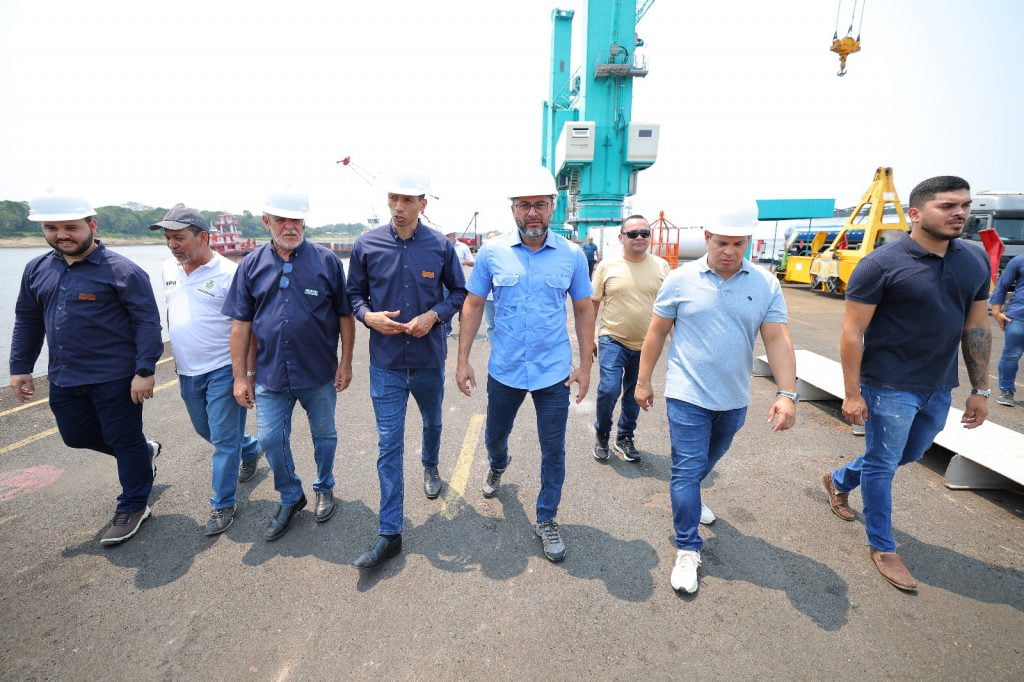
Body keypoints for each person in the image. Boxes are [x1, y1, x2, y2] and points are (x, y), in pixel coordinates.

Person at [822, 175, 991, 592]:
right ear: (915, 214)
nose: (960, 213)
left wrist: (980, 389)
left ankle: (840, 478)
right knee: (882, 463)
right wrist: (852, 392)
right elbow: (851, 332)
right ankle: (883, 546)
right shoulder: (881, 264)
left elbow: (977, 327)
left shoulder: (973, 260)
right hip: (888, 384)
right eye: (948, 205)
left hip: (938, 385)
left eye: (965, 205)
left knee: (910, 452)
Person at [636, 225, 797, 594]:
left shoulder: (765, 283)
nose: (729, 251)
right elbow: (657, 332)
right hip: (686, 393)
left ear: (748, 243)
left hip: (733, 398)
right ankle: (688, 548)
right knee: (687, 468)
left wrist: (787, 393)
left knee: (703, 464)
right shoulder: (680, 280)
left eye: (737, 244)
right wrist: (644, 382)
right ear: (708, 238)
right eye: (721, 243)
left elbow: (775, 337)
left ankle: (689, 496)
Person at [456, 166, 594, 563]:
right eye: (524, 206)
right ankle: (498, 465)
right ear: (513, 209)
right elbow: (474, 305)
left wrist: (585, 366)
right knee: (495, 437)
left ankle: (547, 517)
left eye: (539, 205)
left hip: (553, 373)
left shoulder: (571, 255)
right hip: (506, 370)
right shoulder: (493, 252)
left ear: (553, 207)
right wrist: (462, 360)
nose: (532, 213)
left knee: (554, 449)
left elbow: (584, 309)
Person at [10, 191, 163, 546]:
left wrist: (145, 369)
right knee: (76, 437)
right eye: (52, 228)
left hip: (116, 377)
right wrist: (20, 366)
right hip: (64, 376)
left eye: (71, 227)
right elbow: (27, 320)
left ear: (91, 226)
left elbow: (146, 322)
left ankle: (134, 505)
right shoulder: (37, 269)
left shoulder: (123, 271)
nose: (62, 234)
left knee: (123, 440)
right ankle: (143, 453)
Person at [346, 170, 467, 569]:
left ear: (422, 205)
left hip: (429, 359)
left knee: (432, 424)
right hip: (386, 365)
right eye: (394, 199)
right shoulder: (366, 245)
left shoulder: (440, 246)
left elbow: (459, 293)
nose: (399, 207)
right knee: (389, 445)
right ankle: (389, 532)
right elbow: (353, 295)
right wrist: (367, 317)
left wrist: (434, 315)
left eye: (408, 200)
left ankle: (431, 466)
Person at [222, 188, 355, 542]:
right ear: (267, 222)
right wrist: (240, 378)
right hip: (269, 374)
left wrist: (346, 363)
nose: (290, 226)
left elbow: (345, 316)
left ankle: (324, 487)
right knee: (269, 437)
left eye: (296, 219)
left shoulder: (326, 261)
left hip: (318, 372)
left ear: (305, 221)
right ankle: (291, 495)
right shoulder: (250, 265)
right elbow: (241, 325)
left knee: (324, 436)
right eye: (282, 219)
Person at [152, 204, 262, 536]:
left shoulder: (230, 274)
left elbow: (249, 329)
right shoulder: (167, 269)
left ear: (203, 237)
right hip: (188, 370)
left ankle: (223, 503)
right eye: (168, 238)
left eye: (179, 238)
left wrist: (247, 376)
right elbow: (173, 312)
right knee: (207, 430)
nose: (173, 245)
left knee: (223, 442)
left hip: (223, 368)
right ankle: (251, 447)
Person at [590, 215, 669, 463]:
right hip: (612, 339)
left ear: (649, 237)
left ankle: (624, 437)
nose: (639, 238)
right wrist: (588, 337)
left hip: (647, 344)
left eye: (644, 233)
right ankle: (602, 434)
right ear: (621, 237)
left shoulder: (662, 267)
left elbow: (671, 308)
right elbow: (593, 304)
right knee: (608, 389)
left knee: (636, 393)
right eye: (633, 233)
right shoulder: (607, 266)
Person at [990, 253, 1024, 407]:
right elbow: (1002, 285)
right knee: (1011, 355)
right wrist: (997, 311)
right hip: (1018, 317)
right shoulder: (1019, 260)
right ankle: (1006, 391)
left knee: (1011, 356)